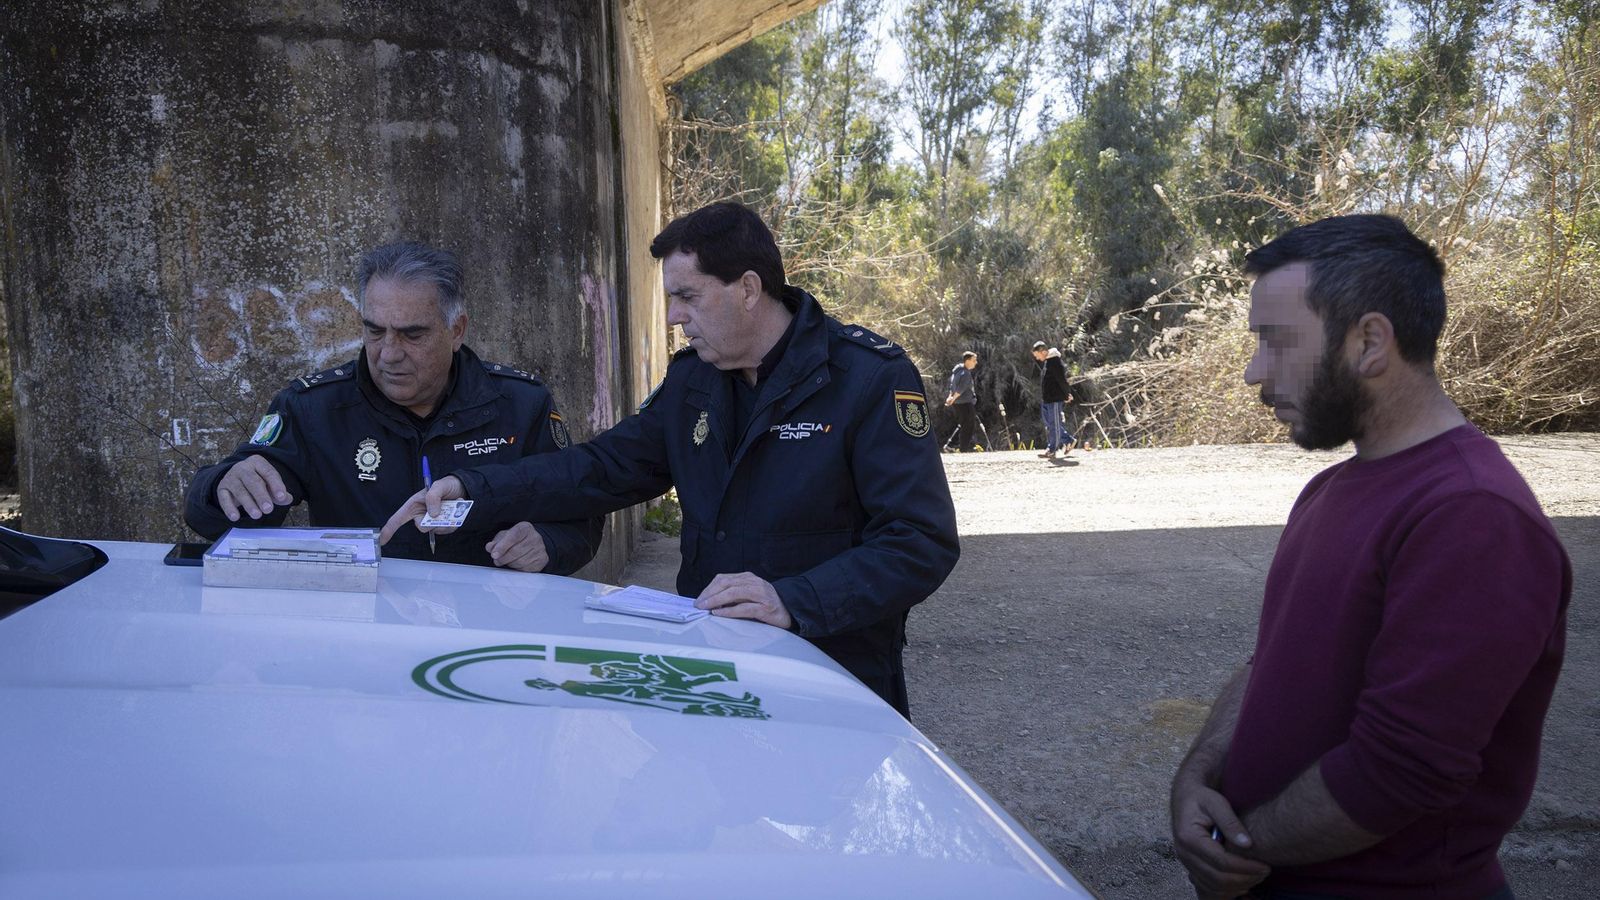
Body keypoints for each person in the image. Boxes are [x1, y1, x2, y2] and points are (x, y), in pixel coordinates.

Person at [379, 203, 959, 717]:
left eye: (687, 297)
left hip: (831, 673)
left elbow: (919, 540)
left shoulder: (867, 379)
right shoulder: (694, 382)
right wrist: (472, 487)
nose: (674, 317)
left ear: (748, 289)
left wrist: (794, 599)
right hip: (713, 673)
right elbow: (600, 468)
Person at [1169, 215, 1570, 900]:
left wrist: (1237, 848)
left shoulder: (1473, 516)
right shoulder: (1331, 488)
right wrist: (1198, 774)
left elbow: (1401, 771)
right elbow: (1273, 665)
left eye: (1276, 341)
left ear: (1370, 342)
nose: (1254, 372)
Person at [184, 241, 603, 574]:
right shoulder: (314, 408)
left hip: (486, 630)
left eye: (411, 335)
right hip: (365, 629)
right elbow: (223, 517)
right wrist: (223, 486)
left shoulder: (521, 405)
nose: (388, 354)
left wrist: (547, 543)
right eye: (374, 331)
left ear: (456, 330)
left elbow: (580, 515)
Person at [1031, 341, 1073, 459]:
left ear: (1043, 351)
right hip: (1047, 399)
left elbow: (1062, 380)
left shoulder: (1055, 362)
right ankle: (1068, 440)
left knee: (1054, 423)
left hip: (1055, 398)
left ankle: (1052, 449)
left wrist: (1067, 394)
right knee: (1049, 423)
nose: (1037, 358)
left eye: (1037, 355)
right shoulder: (1047, 362)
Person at [945, 350, 979, 451]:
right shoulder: (965, 373)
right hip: (965, 403)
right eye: (974, 360)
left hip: (958, 403)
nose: (976, 362)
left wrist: (950, 397)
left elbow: (952, 387)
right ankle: (963, 448)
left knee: (964, 424)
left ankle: (951, 445)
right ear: (967, 361)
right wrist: (952, 398)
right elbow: (961, 389)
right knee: (969, 426)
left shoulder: (957, 372)